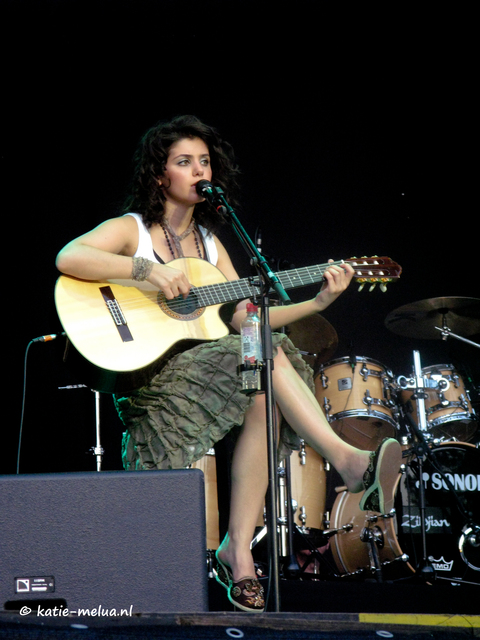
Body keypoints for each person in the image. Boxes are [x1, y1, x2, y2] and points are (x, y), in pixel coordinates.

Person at [56, 115, 402, 613]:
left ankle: (236, 551)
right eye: (184, 162)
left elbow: (248, 312)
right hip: (150, 376)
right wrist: (148, 270)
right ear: (160, 176)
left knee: (263, 368)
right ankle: (346, 460)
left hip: (205, 367)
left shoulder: (211, 245)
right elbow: (71, 257)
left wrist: (318, 303)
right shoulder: (132, 230)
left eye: (204, 161)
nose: (198, 169)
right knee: (261, 349)